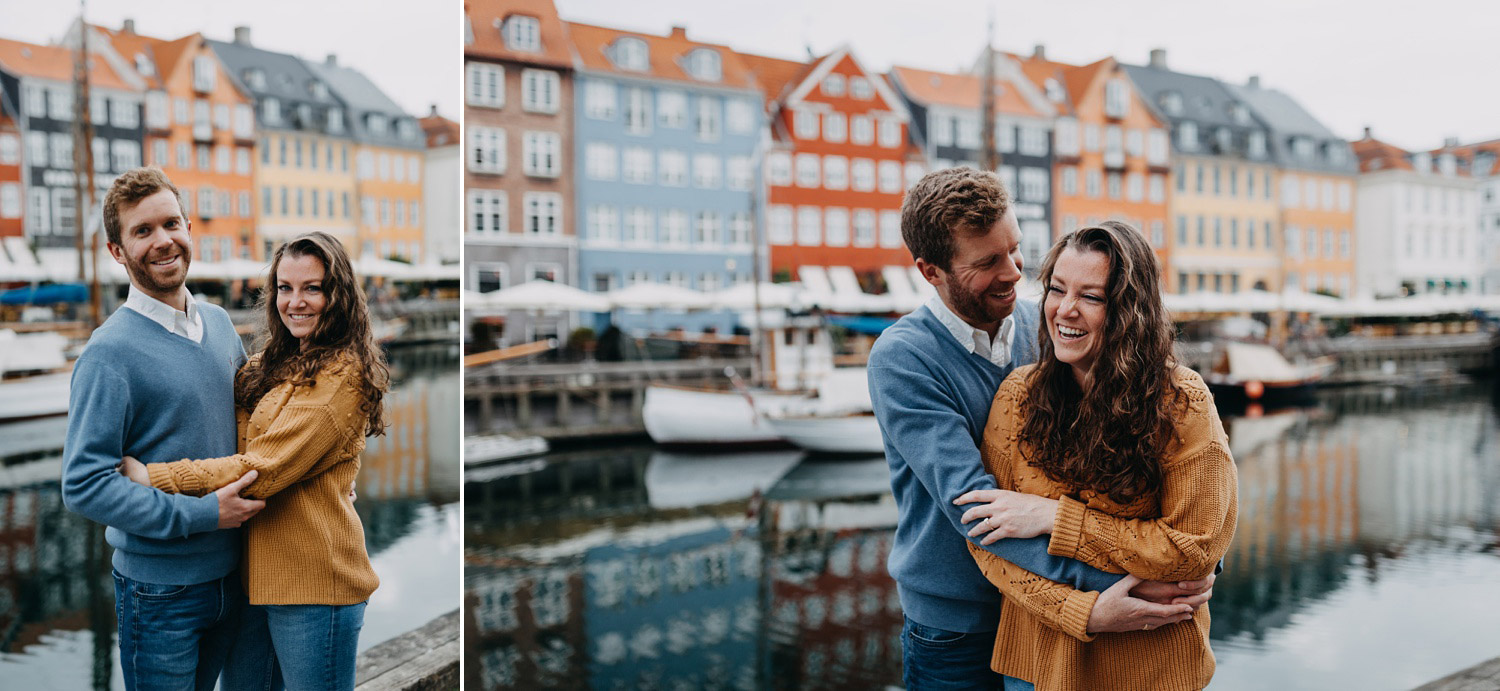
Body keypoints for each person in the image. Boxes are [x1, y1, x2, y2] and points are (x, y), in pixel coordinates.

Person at [868, 168, 1213, 690]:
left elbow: (1164, 470)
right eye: (988, 262)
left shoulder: (1050, 324)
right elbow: (975, 509)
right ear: (930, 270)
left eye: (1014, 249)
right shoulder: (903, 359)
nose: (1013, 272)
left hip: (1041, 622)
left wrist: (1188, 564)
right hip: (959, 622)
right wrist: (1111, 593)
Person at [955, 221, 1238, 690]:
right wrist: (1085, 613)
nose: (1065, 310)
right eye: (1057, 289)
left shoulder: (1180, 400)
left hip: (1149, 670)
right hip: (1034, 670)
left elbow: (1196, 549)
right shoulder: (1017, 396)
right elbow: (984, 540)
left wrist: (1052, 517)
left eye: (1091, 296)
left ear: (1130, 311)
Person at [119, 230, 389, 690]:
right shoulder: (277, 363)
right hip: (253, 582)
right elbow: (239, 423)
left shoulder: (342, 374)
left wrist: (154, 476)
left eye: (313, 288)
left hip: (315, 585)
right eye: (285, 287)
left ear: (338, 294)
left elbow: (260, 470)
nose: (295, 302)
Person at [62, 167, 266, 690]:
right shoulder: (109, 353)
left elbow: (260, 423)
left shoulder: (219, 323)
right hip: (160, 594)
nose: (163, 241)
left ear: (189, 228)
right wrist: (203, 514)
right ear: (117, 251)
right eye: (142, 231)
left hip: (238, 575)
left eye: (171, 223)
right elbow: (84, 484)